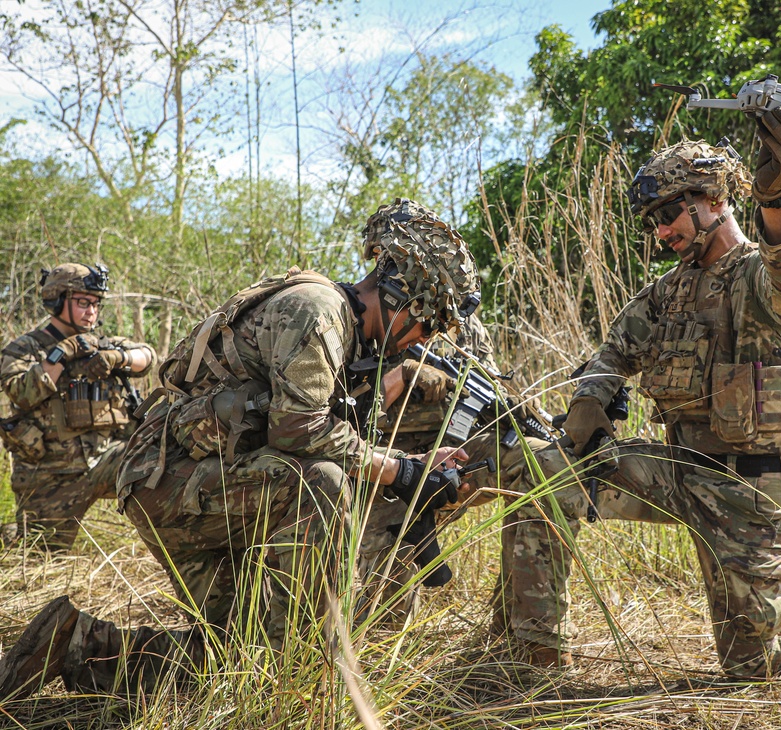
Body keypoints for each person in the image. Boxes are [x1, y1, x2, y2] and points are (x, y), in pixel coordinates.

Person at [0, 214, 480, 700]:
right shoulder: (318, 312)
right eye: (428, 323)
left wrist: (408, 461)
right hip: (169, 484)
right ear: (402, 298)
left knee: (234, 654)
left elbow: (330, 430)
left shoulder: (349, 332)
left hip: (215, 485)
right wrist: (398, 469)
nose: (424, 339)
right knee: (326, 483)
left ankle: (72, 643)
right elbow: (298, 428)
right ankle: (292, 683)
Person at [497, 106, 781, 675]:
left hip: (747, 491)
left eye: (671, 213)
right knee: (540, 472)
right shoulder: (668, 292)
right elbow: (613, 351)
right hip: (676, 472)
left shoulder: (757, 277)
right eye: (654, 219)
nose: (661, 230)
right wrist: (589, 400)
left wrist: (777, 197)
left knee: (755, 665)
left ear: (715, 201)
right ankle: (534, 660)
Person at [359, 199, 557, 625]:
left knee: (541, 465)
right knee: (383, 597)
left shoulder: (459, 323)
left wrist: (520, 407)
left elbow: (484, 389)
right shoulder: (362, 312)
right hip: (384, 462)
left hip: (452, 453)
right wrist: (403, 376)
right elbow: (345, 415)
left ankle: (525, 631)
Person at [0, 263, 155, 551]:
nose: (92, 311)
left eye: (96, 304)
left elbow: (148, 356)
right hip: (51, 475)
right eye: (83, 303)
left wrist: (116, 357)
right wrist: (62, 353)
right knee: (38, 556)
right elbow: (22, 393)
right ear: (57, 300)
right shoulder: (25, 348)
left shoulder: (101, 342)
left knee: (163, 464)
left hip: (108, 460)